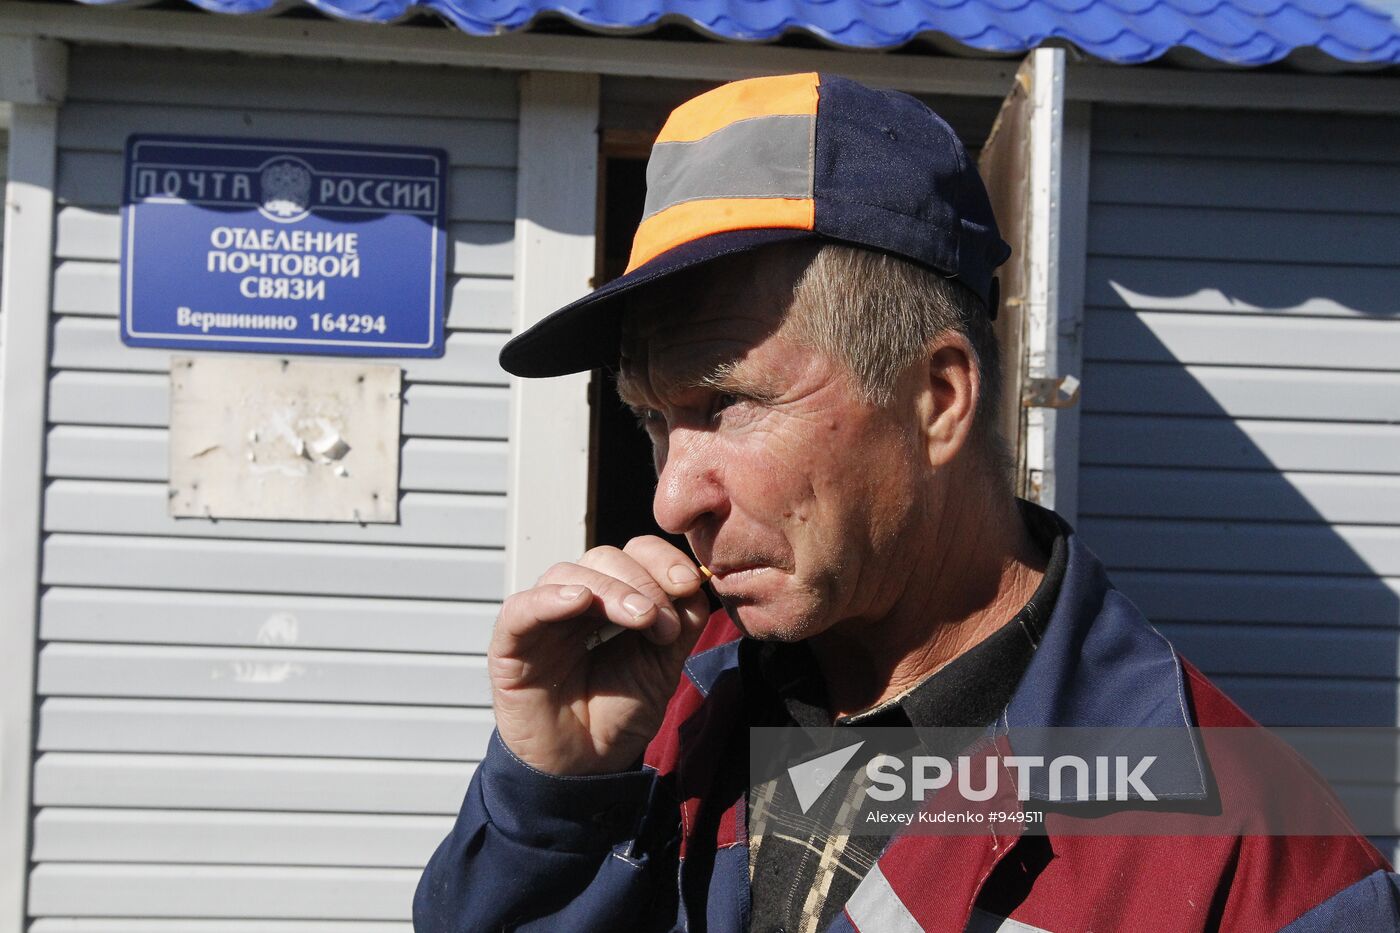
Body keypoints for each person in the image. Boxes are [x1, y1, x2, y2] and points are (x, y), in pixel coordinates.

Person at [413, 73, 1399, 932]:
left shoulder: (1248, 856)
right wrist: (557, 799)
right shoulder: (664, 705)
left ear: (937, 398)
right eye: (653, 420)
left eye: (727, 405)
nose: (672, 498)